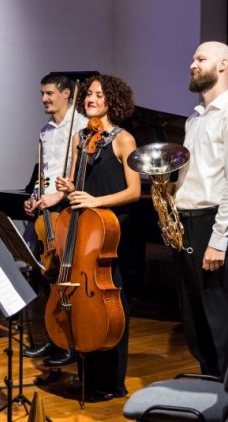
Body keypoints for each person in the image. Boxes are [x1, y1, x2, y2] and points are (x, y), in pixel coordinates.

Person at [53, 74, 140, 402]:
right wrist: (69, 189)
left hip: (112, 228)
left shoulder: (124, 139)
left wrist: (94, 201)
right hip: (87, 227)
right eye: (89, 93)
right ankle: (86, 376)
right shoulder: (80, 137)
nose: (91, 98)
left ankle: (111, 382)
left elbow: (134, 191)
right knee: (83, 302)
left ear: (112, 101)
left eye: (99, 95)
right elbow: (78, 186)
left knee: (110, 302)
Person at [174, 41, 228, 377]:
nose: (192, 64)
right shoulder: (195, 117)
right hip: (186, 221)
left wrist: (219, 240)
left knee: (220, 318)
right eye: (193, 58)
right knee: (195, 319)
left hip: (211, 221)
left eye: (200, 59)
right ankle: (209, 382)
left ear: (222, 66)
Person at [22, 73, 88, 366]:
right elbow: (45, 173)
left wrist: (59, 196)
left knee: (68, 278)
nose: (44, 99)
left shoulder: (83, 126)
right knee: (49, 277)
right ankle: (54, 337)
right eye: (42, 93)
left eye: (49, 93)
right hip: (47, 209)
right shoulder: (45, 130)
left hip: (68, 208)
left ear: (66, 94)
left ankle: (73, 342)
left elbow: (79, 173)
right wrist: (35, 196)